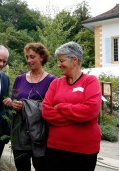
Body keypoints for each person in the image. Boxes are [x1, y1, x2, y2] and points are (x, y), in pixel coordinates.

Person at [42, 41, 102, 171]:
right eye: (58, 61)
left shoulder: (90, 81)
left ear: (74, 60)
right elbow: (46, 112)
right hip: (56, 148)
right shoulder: (55, 84)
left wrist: (61, 107)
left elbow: (91, 111)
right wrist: (78, 118)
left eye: (61, 61)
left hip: (84, 150)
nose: (58, 65)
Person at [5, 42, 56, 171]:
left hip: (40, 133)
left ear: (42, 57)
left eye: (32, 57)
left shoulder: (52, 80)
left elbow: (52, 106)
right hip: (20, 133)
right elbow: (14, 96)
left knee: (42, 167)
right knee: (21, 167)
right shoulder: (19, 79)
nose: (29, 60)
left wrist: (26, 105)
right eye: (27, 57)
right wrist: (11, 103)